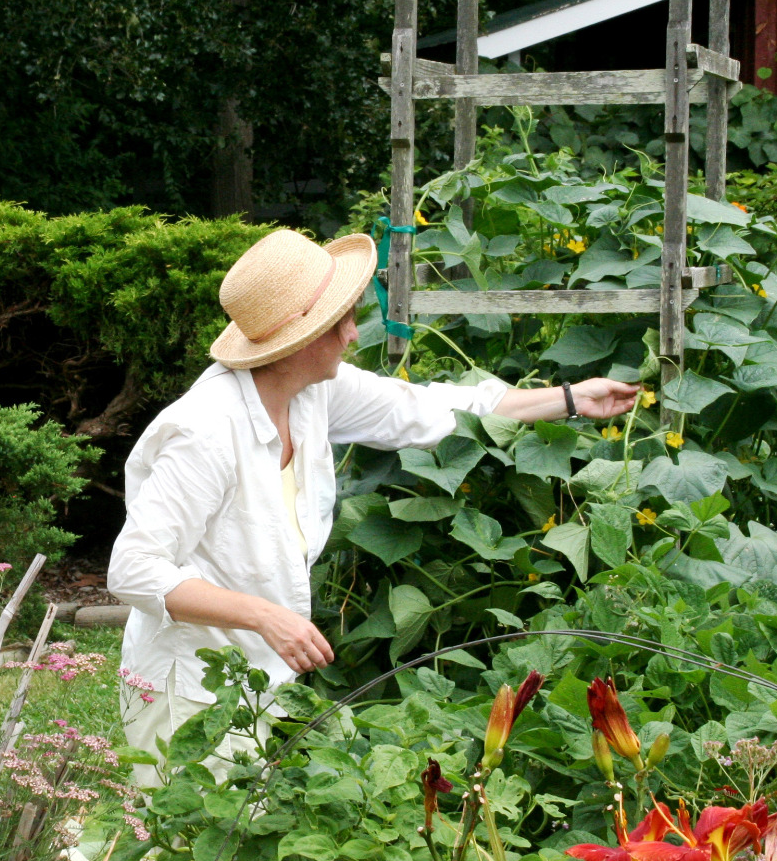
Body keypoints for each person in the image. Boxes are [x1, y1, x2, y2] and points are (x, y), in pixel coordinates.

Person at [107, 228, 638, 785]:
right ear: (297, 339)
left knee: (242, 836)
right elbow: (133, 569)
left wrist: (572, 399)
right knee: (194, 844)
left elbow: (429, 407)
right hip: (187, 688)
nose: (353, 334)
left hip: (255, 680)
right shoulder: (207, 431)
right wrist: (264, 616)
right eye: (341, 322)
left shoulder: (309, 393)